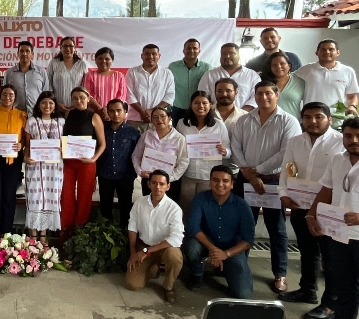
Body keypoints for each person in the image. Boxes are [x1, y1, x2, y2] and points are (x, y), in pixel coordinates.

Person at [231, 80, 302, 293]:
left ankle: (280, 273)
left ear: (277, 95)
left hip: (272, 181)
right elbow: (236, 147)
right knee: (244, 225)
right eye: (259, 93)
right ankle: (238, 267)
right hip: (246, 179)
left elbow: (285, 153)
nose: (263, 98)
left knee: (277, 229)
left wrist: (258, 171)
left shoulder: (288, 121)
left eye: (268, 93)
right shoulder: (244, 120)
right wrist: (248, 173)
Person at [278, 102, 342, 318]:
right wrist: (283, 194)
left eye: (318, 117)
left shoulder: (341, 143)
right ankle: (308, 291)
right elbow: (286, 168)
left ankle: (330, 303)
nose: (312, 121)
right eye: (307, 117)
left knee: (331, 259)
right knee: (307, 252)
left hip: (329, 211)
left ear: (329, 119)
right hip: (299, 206)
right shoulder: (295, 141)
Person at [307, 118, 359, 319]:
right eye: (348, 136)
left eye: (357, 136)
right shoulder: (338, 159)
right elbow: (326, 189)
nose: (353, 140)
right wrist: (312, 214)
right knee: (343, 286)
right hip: (338, 235)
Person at [184, 165, 255, 299]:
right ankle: (197, 274)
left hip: (231, 249)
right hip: (207, 243)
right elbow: (193, 227)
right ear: (210, 182)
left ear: (232, 184)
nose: (220, 184)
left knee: (243, 294)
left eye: (225, 181)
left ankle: (225, 268)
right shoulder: (200, 199)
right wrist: (213, 250)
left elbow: (248, 240)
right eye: (215, 180)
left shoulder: (242, 205)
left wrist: (225, 254)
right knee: (191, 246)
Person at [125, 169, 184, 303]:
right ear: (148, 184)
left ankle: (168, 286)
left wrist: (146, 252)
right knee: (132, 284)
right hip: (144, 246)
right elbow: (132, 227)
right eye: (154, 183)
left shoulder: (174, 209)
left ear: (168, 186)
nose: (158, 187)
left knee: (175, 256)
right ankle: (153, 268)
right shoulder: (140, 203)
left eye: (162, 184)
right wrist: (133, 252)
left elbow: (176, 238)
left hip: (164, 248)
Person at [60, 87, 106, 239]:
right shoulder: (68, 114)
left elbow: (102, 144)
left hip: (87, 163)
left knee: (84, 198)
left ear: (88, 98)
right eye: (75, 98)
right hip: (68, 162)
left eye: (81, 98)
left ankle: (79, 233)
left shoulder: (94, 117)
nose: (78, 101)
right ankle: (65, 231)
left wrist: (93, 159)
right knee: (66, 196)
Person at [0, 85, 27, 237]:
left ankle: (7, 231)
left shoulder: (22, 115)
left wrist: (22, 145)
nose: (8, 97)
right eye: (5, 94)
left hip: (13, 160)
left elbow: (26, 138)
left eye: (11, 95)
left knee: (9, 195)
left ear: (15, 97)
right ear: (0, 97)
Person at [176, 91, 231, 213]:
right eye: (196, 103)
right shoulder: (182, 123)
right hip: (187, 173)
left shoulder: (219, 125)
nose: (200, 106)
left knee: (205, 208)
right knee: (186, 206)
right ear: (190, 105)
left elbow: (229, 152)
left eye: (204, 103)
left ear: (211, 105)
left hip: (209, 175)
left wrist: (224, 151)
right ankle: (186, 231)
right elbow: (177, 146)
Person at [24, 91, 65, 244]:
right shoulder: (31, 121)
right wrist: (26, 158)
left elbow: (66, 144)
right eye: (44, 103)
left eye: (50, 103)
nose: (47, 106)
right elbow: (28, 144)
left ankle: (43, 235)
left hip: (54, 168)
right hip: (35, 166)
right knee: (34, 198)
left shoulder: (61, 122)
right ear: (39, 105)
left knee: (50, 197)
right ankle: (33, 236)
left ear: (55, 106)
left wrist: (63, 150)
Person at [96, 99, 141, 229]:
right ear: (108, 112)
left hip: (125, 176)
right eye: (112, 111)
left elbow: (138, 154)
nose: (115, 114)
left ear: (125, 112)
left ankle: (123, 237)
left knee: (125, 208)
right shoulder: (102, 129)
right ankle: (105, 237)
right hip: (105, 175)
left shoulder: (133, 132)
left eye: (119, 110)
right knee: (105, 207)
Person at [131, 107, 188, 201]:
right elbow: (136, 155)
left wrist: (171, 177)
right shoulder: (146, 135)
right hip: (149, 180)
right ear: (151, 120)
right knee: (148, 206)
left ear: (169, 118)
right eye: (155, 117)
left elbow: (184, 162)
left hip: (169, 182)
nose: (159, 120)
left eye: (162, 116)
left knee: (167, 210)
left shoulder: (179, 138)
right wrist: (140, 171)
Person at [296, 39, 359, 118]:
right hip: (312, 119)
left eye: (331, 49)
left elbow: (352, 96)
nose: (327, 52)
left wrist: (352, 106)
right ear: (316, 52)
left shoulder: (348, 71)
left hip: (338, 119)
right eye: (323, 49)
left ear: (338, 52)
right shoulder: (306, 70)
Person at [125, 44, 175, 132]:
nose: (150, 56)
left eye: (154, 54)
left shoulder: (167, 73)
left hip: (159, 120)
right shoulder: (132, 72)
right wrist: (142, 112)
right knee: (135, 145)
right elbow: (129, 94)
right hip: (135, 120)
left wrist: (153, 112)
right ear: (142, 56)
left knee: (158, 145)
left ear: (159, 56)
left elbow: (170, 95)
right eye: (147, 54)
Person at [198, 43, 260, 111]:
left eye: (232, 53)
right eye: (224, 54)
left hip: (244, 117)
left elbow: (256, 97)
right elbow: (202, 96)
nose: (227, 56)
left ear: (239, 56)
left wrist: (240, 114)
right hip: (214, 117)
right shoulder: (209, 75)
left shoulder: (252, 75)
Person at [168, 39, 211, 125]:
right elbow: (167, 88)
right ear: (183, 50)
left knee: (196, 135)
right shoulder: (173, 67)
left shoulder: (206, 68)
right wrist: (168, 110)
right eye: (188, 48)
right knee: (178, 136)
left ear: (199, 51)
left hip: (199, 109)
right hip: (178, 108)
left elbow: (209, 89)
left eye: (195, 48)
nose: (191, 51)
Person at [47, 37, 89, 115]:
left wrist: (76, 104)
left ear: (75, 48)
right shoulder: (54, 63)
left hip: (78, 107)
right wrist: (56, 103)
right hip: (57, 108)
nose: (68, 49)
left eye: (71, 46)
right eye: (65, 46)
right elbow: (48, 85)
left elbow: (85, 87)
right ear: (61, 48)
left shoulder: (82, 64)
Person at [3, 40, 48, 114]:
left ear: (32, 54)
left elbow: (46, 94)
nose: (24, 54)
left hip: (37, 114)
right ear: (18, 54)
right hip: (15, 114)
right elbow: (5, 95)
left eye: (27, 51)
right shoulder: (9, 73)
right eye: (21, 51)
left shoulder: (41, 71)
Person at [84, 47, 126, 121]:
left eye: (107, 59)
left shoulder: (119, 76)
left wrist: (110, 110)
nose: (103, 61)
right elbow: (87, 95)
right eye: (100, 58)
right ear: (95, 60)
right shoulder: (89, 75)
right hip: (94, 114)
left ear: (112, 60)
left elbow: (122, 95)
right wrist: (101, 109)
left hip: (115, 116)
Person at [264, 52, 306, 121]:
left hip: (294, 125)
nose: (278, 67)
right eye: (274, 65)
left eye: (282, 63)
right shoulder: (264, 82)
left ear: (289, 66)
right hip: (269, 124)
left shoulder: (300, 82)